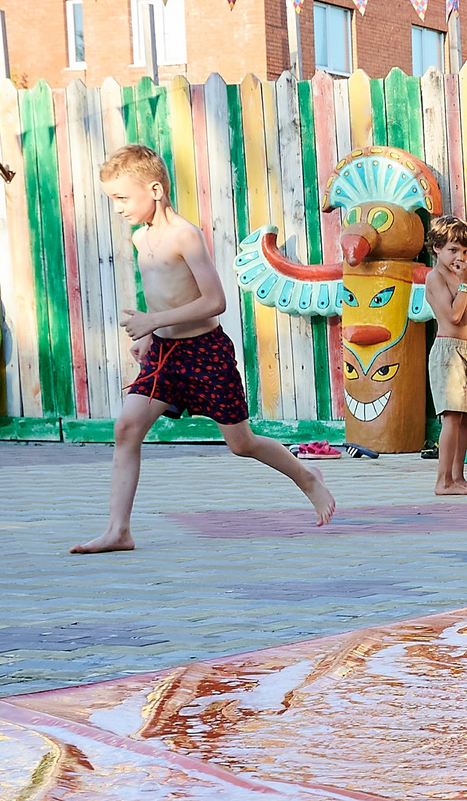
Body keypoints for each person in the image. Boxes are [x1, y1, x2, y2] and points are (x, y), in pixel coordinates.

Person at [71, 145, 335, 552]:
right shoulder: (141, 239)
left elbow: (215, 301)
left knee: (241, 443)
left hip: (205, 352)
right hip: (164, 355)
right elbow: (163, 298)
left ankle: (307, 478)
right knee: (126, 429)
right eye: (113, 200)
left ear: (155, 189)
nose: (118, 208)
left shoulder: (185, 235)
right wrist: (146, 336)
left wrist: (151, 322)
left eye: (123, 198)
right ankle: (119, 530)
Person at [422, 217, 467, 497]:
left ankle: (458, 477)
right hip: (448, 353)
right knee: (451, 417)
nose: (460, 257)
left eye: (465, 252)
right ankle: (443, 481)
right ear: (437, 248)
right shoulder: (436, 277)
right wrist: (465, 284)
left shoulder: (459, 278)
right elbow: (453, 316)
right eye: (453, 250)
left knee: (465, 418)